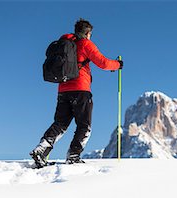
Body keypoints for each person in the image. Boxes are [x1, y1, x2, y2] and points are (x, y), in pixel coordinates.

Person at [30, 18, 123, 167]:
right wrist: (118, 65)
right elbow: (103, 63)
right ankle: (73, 155)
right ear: (88, 33)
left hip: (63, 90)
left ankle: (41, 149)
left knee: (60, 123)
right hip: (81, 90)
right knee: (84, 125)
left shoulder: (64, 43)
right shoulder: (86, 44)